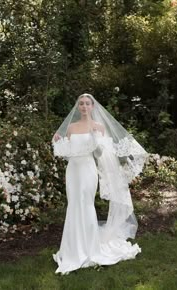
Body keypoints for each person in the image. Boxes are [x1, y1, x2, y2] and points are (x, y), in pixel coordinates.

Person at [52, 93, 149, 275]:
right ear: (78, 107)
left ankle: (90, 248)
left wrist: (96, 142)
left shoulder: (99, 127)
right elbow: (68, 152)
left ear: (92, 107)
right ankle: (71, 248)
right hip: (73, 170)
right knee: (73, 205)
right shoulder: (71, 128)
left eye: (87, 103)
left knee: (86, 204)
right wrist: (59, 140)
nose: (84, 106)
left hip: (88, 170)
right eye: (81, 103)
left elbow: (98, 155)